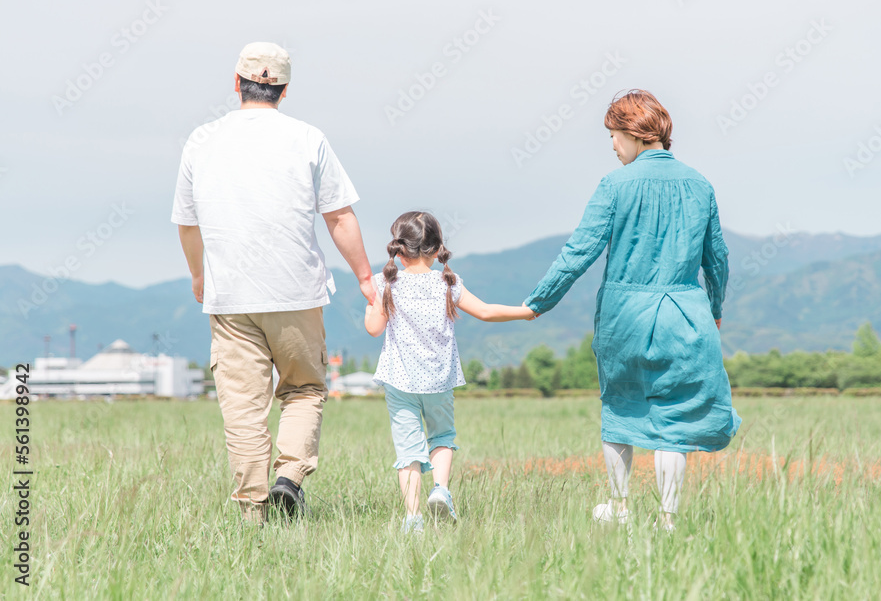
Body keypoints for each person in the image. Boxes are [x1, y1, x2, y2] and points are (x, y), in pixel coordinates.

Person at [171, 42, 376, 525]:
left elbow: (186, 222)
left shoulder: (201, 140)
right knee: (303, 389)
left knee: (243, 409)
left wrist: (199, 276)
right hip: (295, 292)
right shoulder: (308, 138)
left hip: (230, 296)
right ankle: (290, 478)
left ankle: (251, 514)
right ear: (283, 91)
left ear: (236, 83)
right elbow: (339, 216)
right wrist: (366, 278)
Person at [523, 89, 741, 531]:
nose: (612, 144)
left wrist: (537, 304)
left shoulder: (614, 185)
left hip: (625, 316)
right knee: (674, 418)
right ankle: (668, 518)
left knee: (621, 411)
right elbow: (716, 257)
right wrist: (715, 308)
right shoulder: (700, 184)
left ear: (635, 134)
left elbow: (578, 252)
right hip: (685, 312)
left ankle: (620, 510)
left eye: (614, 134)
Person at [364, 211, 536, 533]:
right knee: (442, 436)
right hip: (439, 381)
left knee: (408, 452)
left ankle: (413, 520)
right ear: (436, 247)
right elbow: (485, 311)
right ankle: (440, 490)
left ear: (398, 250)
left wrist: (369, 307)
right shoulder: (448, 282)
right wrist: (525, 312)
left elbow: (374, 329)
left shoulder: (385, 282)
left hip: (400, 382)